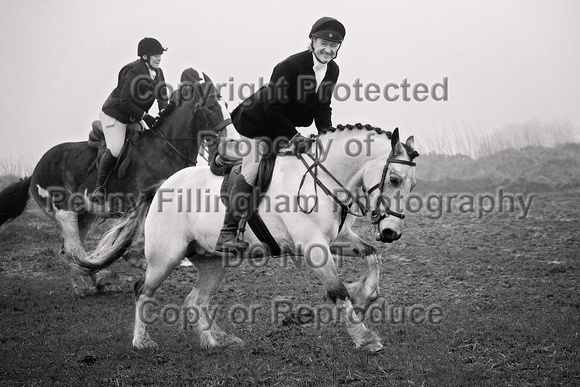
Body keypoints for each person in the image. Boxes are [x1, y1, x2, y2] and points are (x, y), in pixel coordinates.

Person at [215, 17, 346, 253]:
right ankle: (227, 232)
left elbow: (322, 106)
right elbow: (271, 107)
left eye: (334, 45)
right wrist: (293, 137)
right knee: (253, 168)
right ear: (312, 42)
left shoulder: (332, 70)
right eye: (323, 43)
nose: (328, 49)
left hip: (280, 124)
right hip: (256, 123)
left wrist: (327, 136)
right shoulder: (289, 66)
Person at [92, 37, 169, 202]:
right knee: (117, 149)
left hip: (133, 116)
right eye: (155, 54)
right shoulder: (132, 71)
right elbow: (125, 101)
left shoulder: (158, 73)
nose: (159, 58)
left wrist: (164, 111)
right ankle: (99, 187)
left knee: (145, 145)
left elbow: (162, 95)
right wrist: (145, 116)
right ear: (145, 57)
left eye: (160, 55)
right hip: (115, 115)